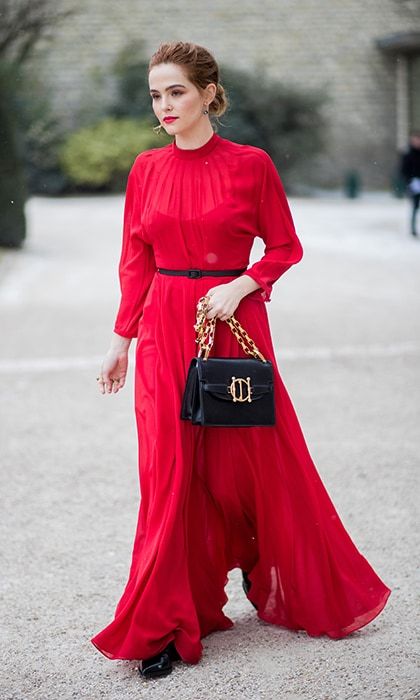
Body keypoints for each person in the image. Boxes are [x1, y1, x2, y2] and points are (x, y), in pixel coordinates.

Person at [91, 41, 391, 680]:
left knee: (256, 458)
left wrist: (242, 284)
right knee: (169, 472)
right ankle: (170, 621)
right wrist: (122, 339)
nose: (164, 105)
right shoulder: (145, 169)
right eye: (155, 94)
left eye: (175, 91)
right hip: (168, 327)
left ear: (207, 93)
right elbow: (135, 261)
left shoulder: (251, 165)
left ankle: (270, 574)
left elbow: (285, 245)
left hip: (234, 319)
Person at [400, 129, 420, 237]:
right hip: (414, 184)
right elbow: (403, 170)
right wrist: (410, 182)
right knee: (415, 207)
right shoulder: (408, 154)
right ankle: (413, 229)